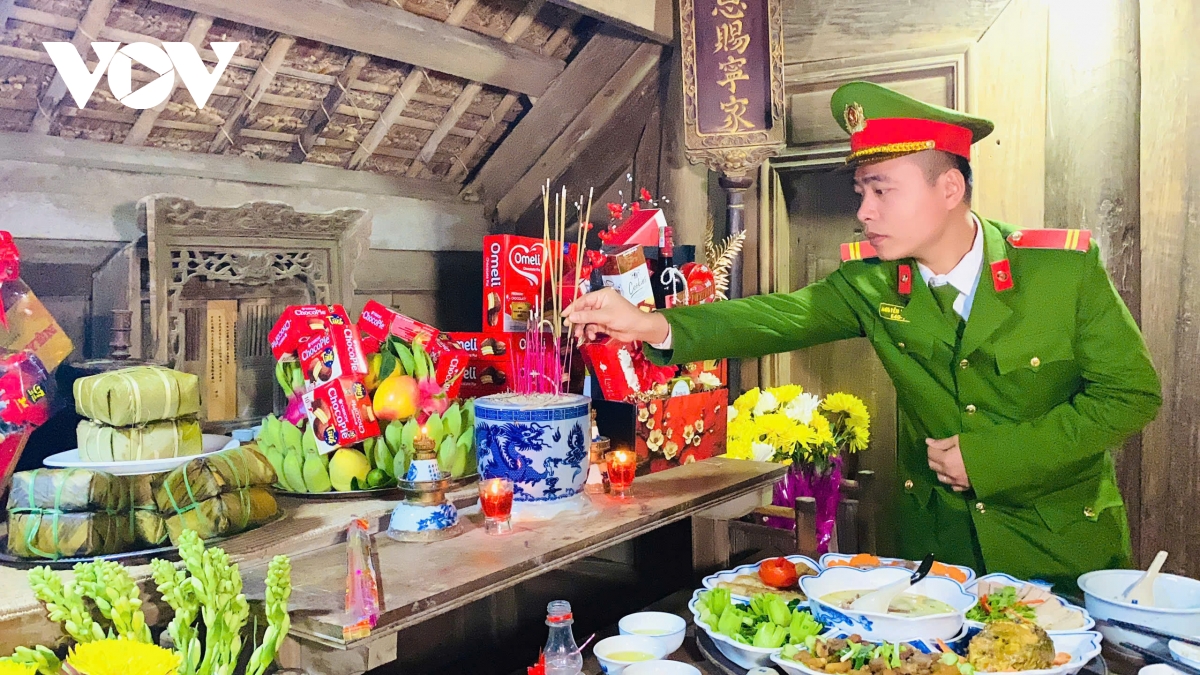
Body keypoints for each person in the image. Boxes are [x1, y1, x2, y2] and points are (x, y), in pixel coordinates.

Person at [562, 81, 1162, 591]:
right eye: (861, 193)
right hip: (941, 555)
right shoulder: (873, 283)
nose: (864, 212)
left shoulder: (1062, 274)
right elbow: (777, 317)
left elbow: (1131, 395)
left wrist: (992, 460)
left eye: (882, 190)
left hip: (1058, 549)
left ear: (949, 190)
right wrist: (649, 323)